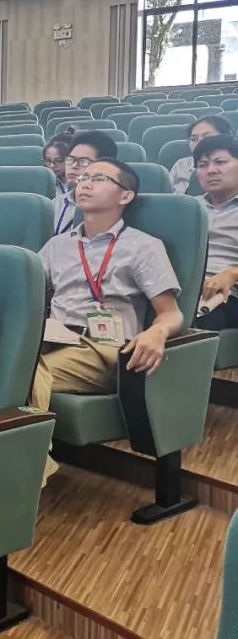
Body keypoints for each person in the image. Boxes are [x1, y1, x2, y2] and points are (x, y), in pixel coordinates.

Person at [31, 159, 183, 482]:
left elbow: (171, 312)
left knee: (24, 375)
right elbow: (27, 295)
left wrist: (157, 332)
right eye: (84, 177)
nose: (84, 182)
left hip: (103, 347)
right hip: (53, 336)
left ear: (125, 196)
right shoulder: (58, 245)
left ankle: (30, 470)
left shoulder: (143, 247)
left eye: (98, 178)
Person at [193, 135, 238, 331]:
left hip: (226, 294)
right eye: (202, 165)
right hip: (178, 288)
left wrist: (232, 273)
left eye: (220, 162)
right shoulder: (188, 208)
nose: (211, 170)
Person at [52, 131, 118, 235]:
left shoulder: (114, 205)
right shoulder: (55, 204)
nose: (73, 166)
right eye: (71, 159)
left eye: (83, 161)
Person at [170, 115, 233, 194]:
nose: (199, 143)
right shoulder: (181, 165)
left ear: (226, 137)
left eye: (207, 137)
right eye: (193, 139)